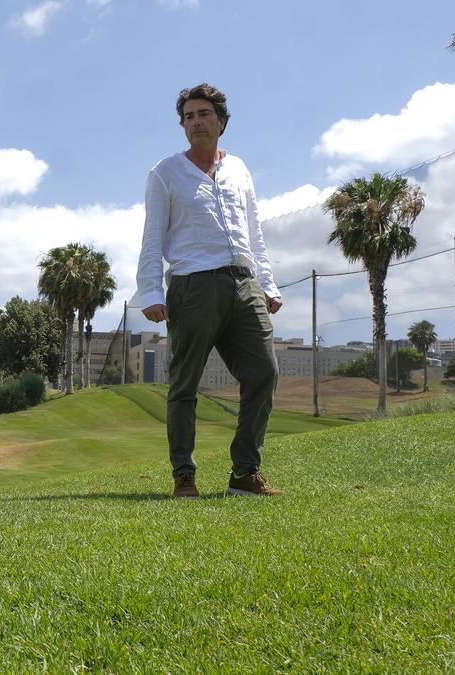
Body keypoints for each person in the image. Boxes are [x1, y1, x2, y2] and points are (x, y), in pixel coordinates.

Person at [137, 83, 284, 498]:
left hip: (244, 283)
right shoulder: (164, 173)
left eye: (203, 114)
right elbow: (152, 236)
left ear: (221, 121)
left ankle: (245, 473)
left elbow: (254, 231)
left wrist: (267, 284)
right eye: (188, 117)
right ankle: (184, 474)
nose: (195, 122)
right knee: (184, 384)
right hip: (193, 286)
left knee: (264, 373)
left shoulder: (239, 169)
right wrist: (151, 291)